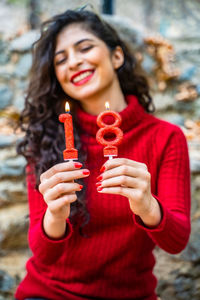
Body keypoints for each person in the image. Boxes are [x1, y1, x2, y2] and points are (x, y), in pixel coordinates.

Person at [15, 8, 191, 300]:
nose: (74, 62)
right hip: (49, 294)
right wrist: (55, 215)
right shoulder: (45, 140)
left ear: (117, 56)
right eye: (61, 59)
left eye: (85, 48)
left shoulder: (165, 138)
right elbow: (43, 254)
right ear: (57, 77)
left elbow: (177, 242)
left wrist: (147, 205)